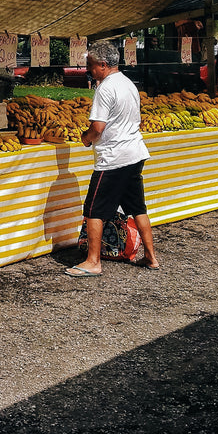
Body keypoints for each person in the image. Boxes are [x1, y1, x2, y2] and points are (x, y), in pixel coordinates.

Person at [65, 40, 159, 277]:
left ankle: (93, 262)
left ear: (103, 65)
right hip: (135, 153)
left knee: (94, 210)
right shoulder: (128, 84)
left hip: (113, 158)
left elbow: (97, 127)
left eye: (91, 65)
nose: (88, 69)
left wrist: (86, 138)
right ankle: (150, 257)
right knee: (138, 207)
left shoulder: (105, 88)